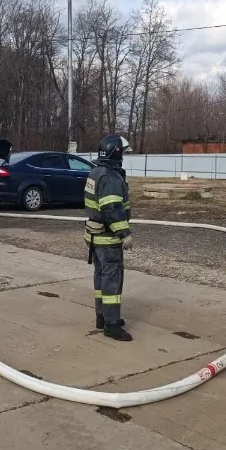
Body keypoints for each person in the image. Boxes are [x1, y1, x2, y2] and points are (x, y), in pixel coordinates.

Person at [83, 133, 134, 341]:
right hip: (108, 239)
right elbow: (112, 209)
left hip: (95, 237)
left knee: (101, 278)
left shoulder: (96, 172)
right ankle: (111, 325)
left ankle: (102, 316)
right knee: (112, 282)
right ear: (117, 153)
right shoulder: (111, 177)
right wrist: (124, 233)